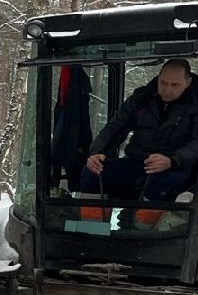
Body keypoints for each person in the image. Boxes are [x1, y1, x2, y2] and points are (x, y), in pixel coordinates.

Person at [79, 59, 198, 219]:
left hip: (175, 167)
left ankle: (140, 230)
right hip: (138, 161)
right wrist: (97, 152)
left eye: (174, 85)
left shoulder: (195, 106)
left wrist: (172, 160)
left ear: (188, 82)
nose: (167, 89)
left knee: (164, 184)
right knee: (92, 172)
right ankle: (90, 231)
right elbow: (116, 126)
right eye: (163, 82)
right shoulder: (142, 98)